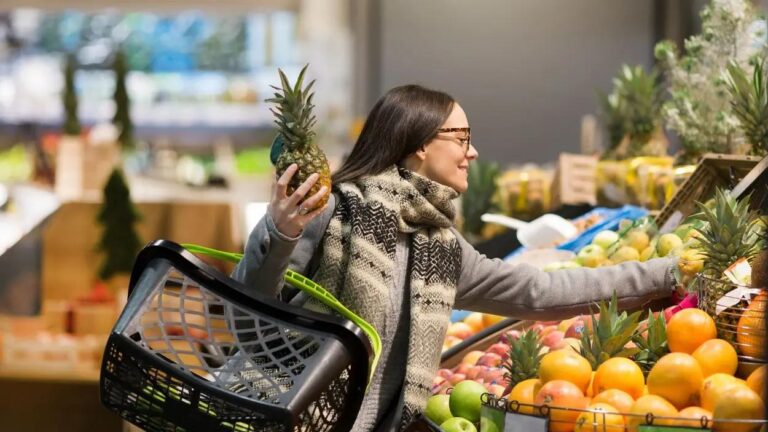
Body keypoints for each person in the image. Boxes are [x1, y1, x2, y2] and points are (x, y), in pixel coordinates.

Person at [233, 85, 679, 431]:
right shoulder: (334, 212)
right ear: (420, 145)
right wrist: (280, 232)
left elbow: (539, 291)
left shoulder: (440, 248)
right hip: (278, 418)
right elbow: (244, 316)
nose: (473, 152)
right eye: (462, 138)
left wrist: (667, 273)